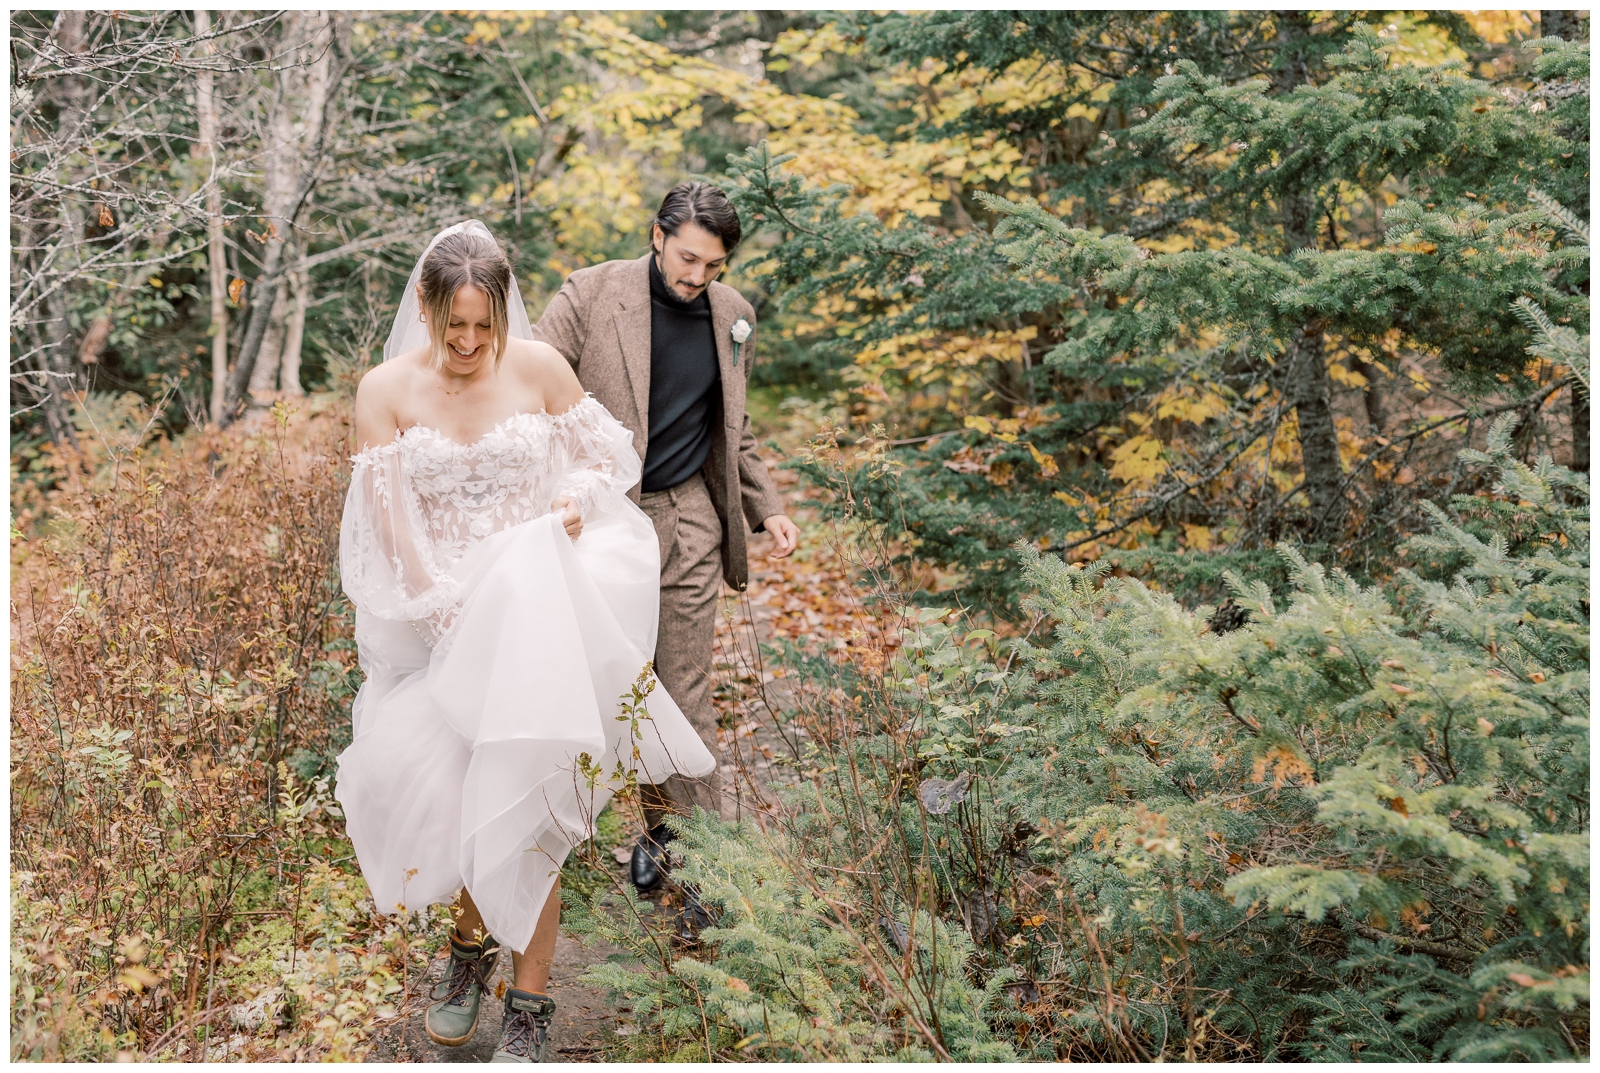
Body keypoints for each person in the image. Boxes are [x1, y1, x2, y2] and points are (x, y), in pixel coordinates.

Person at [334, 220, 715, 1063]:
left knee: (534, 800)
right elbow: (388, 526)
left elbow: (605, 458)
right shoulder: (383, 390)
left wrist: (576, 498)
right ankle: (470, 950)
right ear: (425, 310)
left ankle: (530, 1005)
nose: (469, 343)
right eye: (452, 325)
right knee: (467, 801)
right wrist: (442, 614)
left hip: (542, 611)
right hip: (438, 615)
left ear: (505, 311)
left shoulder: (539, 366)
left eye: (484, 325)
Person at [531, 181, 799, 940]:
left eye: (712, 265)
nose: (697, 277)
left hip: (687, 519)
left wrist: (767, 506)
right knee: (603, 688)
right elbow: (529, 397)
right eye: (687, 258)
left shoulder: (733, 314)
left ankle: (695, 865)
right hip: (598, 517)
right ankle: (580, 842)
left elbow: (734, 429)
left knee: (681, 693)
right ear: (657, 234)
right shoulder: (590, 295)